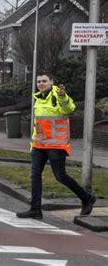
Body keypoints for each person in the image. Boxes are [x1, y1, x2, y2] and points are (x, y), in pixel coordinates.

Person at [16, 72, 96, 219]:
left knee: (60, 176)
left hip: (56, 145)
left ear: (51, 81)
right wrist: (33, 143)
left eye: (44, 81)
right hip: (39, 145)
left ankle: (86, 198)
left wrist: (63, 96)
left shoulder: (58, 95)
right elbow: (39, 124)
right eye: (38, 81)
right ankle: (35, 209)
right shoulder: (38, 98)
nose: (41, 83)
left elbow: (69, 109)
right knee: (35, 176)